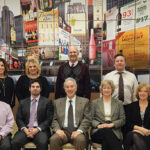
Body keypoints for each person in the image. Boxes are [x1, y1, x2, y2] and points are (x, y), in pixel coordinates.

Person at [11, 79, 54, 150]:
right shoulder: (22, 102)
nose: (35, 88)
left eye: (37, 87)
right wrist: (25, 130)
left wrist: (37, 129)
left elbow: (49, 119)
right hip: (25, 130)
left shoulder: (47, 102)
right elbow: (19, 119)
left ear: (40, 89)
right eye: (33, 86)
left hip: (41, 130)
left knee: (43, 142)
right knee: (14, 142)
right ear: (29, 88)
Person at [50, 77, 91, 150]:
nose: (70, 89)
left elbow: (87, 119)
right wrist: (57, 130)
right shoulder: (57, 102)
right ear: (64, 89)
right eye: (67, 87)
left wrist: (79, 131)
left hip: (77, 131)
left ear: (76, 88)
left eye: (72, 86)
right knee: (54, 139)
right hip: (63, 131)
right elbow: (54, 119)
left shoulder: (84, 102)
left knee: (81, 140)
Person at [91, 80, 125, 150]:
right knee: (106, 131)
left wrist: (112, 125)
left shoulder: (119, 103)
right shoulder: (95, 103)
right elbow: (90, 119)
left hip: (114, 131)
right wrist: (98, 125)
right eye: (104, 88)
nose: (106, 90)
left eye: (109, 88)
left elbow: (123, 119)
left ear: (112, 89)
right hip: (98, 131)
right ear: (101, 89)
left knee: (106, 141)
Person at [123, 83, 150, 150]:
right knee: (134, 135)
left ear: (148, 93)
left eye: (145, 91)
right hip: (133, 133)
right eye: (140, 91)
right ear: (138, 93)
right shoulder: (131, 106)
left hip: (148, 134)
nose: (142, 93)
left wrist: (147, 131)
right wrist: (139, 129)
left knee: (135, 146)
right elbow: (127, 123)